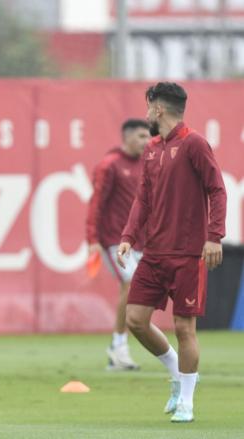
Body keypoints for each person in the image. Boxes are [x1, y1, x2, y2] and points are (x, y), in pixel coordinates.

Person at [118, 82, 227, 423]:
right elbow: (143, 199)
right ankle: (177, 375)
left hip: (188, 254)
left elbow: (217, 189)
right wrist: (129, 235)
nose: (147, 114)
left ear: (158, 109)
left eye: (148, 107)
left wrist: (214, 237)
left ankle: (187, 403)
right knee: (135, 320)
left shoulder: (194, 143)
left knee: (184, 328)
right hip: (153, 253)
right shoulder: (151, 149)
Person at [86, 119, 150, 371]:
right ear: (127, 137)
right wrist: (92, 240)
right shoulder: (109, 165)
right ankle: (118, 346)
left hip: (141, 241)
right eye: (142, 137)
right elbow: (96, 204)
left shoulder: (147, 165)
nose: (146, 142)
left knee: (142, 292)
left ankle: (120, 346)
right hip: (114, 240)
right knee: (131, 283)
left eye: (149, 137)